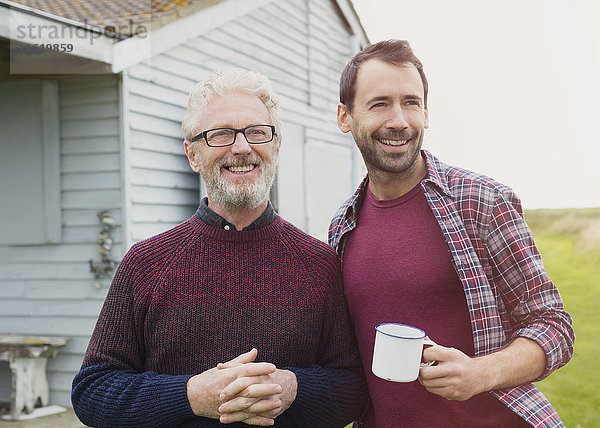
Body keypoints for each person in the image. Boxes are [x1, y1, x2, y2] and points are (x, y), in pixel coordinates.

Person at [72, 68, 367, 427]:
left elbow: (354, 386)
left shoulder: (319, 264)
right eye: (220, 135)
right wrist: (192, 395)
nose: (241, 147)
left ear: (275, 146)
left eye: (256, 132)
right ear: (192, 154)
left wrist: (292, 388)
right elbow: (92, 390)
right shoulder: (145, 263)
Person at [329, 39, 575, 427]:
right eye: (380, 104)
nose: (399, 121)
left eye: (410, 102)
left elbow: (554, 325)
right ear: (345, 117)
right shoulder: (343, 226)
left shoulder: (481, 201)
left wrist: (482, 373)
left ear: (426, 113)